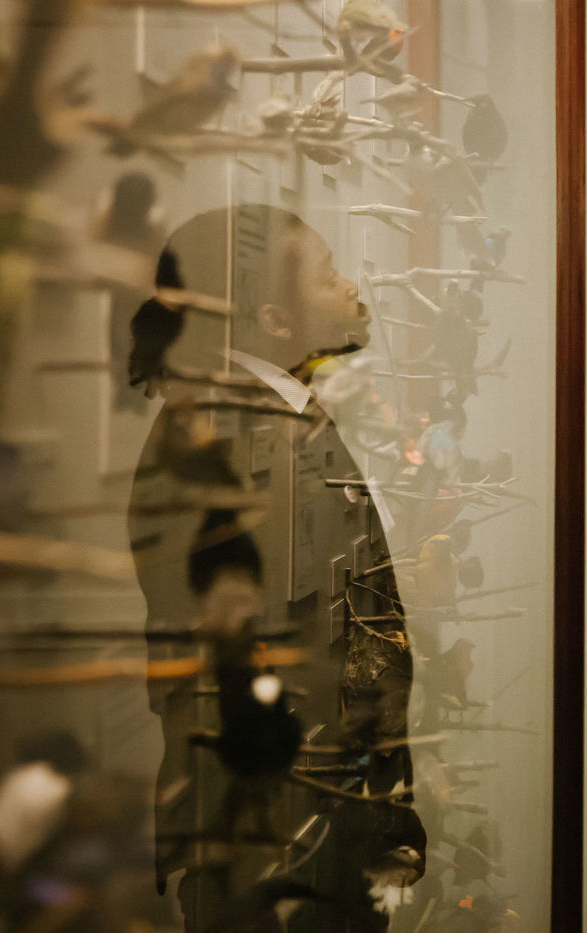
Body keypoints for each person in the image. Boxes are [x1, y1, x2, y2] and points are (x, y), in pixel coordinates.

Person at [127, 205, 422, 932]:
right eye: (327, 277)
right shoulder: (237, 435)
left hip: (305, 814)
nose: (351, 288)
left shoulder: (264, 421)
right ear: (273, 318)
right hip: (280, 827)